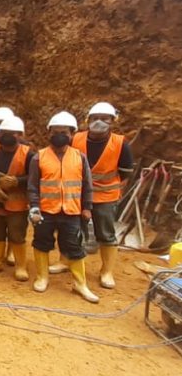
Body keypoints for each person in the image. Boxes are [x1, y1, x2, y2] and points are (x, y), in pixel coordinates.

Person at [28, 111, 99, 303]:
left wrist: (87, 207)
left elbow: (87, 185)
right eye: (56, 132)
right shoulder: (39, 157)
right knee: (41, 243)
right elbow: (33, 186)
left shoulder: (79, 157)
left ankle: (80, 284)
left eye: (64, 132)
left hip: (71, 210)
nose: (60, 135)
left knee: (74, 246)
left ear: (72, 134)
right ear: (49, 133)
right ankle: (42, 277)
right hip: (45, 210)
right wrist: (34, 207)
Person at [63, 102, 132, 289]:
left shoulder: (120, 143)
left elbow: (125, 174)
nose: (99, 122)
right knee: (70, 230)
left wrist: (116, 193)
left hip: (105, 197)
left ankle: (106, 271)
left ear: (113, 121)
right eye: (95, 118)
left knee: (106, 234)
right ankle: (65, 261)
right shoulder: (76, 139)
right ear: (88, 120)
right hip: (77, 195)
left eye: (104, 118)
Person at [0, 116, 35, 281]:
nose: (8, 135)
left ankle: (21, 266)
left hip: (17, 205)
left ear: (20, 135)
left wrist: (18, 181)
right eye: (5, 132)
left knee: (17, 236)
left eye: (13, 132)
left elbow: (35, 177)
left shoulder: (28, 154)